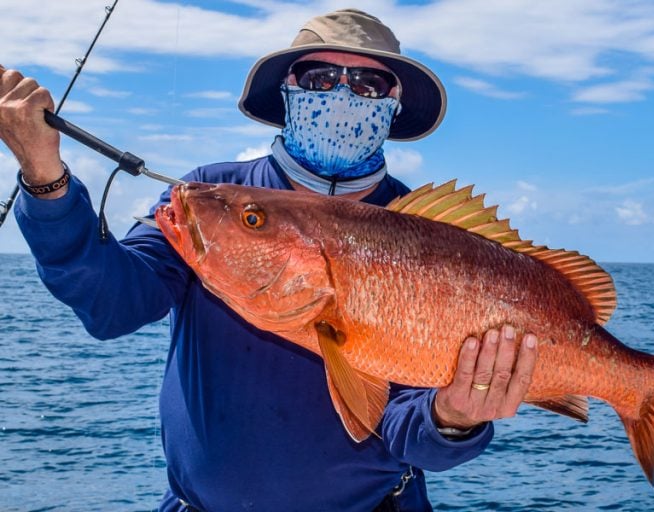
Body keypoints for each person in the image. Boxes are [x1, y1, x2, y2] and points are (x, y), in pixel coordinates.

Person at [0, 9, 538, 511]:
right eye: (320, 79)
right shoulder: (209, 200)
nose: (343, 95)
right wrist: (46, 178)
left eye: (368, 84)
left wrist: (455, 419)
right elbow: (111, 304)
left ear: (393, 103)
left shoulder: (430, 236)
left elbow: (415, 439)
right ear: (287, 92)